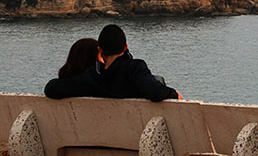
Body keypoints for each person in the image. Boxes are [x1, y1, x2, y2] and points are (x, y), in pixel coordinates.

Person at [45, 24, 181, 102]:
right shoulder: (134, 69)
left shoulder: (90, 77)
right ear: (125, 47)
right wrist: (174, 94)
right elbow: (155, 92)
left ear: (100, 50)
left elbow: (51, 88)